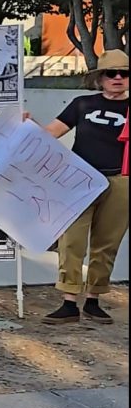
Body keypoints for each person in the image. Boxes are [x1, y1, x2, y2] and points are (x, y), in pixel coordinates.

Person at [33, 49, 129, 325]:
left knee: (107, 243)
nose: (118, 78)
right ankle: (69, 301)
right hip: (79, 179)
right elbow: (50, 134)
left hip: (120, 180)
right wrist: (25, 124)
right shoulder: (82, 104)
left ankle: (94, 300)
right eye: (111, 73)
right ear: (100, 78)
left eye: (124, 73)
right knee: (71, 240)